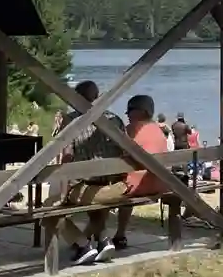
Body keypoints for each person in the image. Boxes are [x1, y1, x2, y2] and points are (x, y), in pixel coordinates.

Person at [55, 92, 167, 265]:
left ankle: (84, 243)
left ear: (141, 111)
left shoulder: (132, 129)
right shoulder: (158, 131)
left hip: (133, 186)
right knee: (101, 197)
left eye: (130, 110)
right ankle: (103, 239)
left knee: (67, 201)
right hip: (157, 183)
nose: (127, 115)